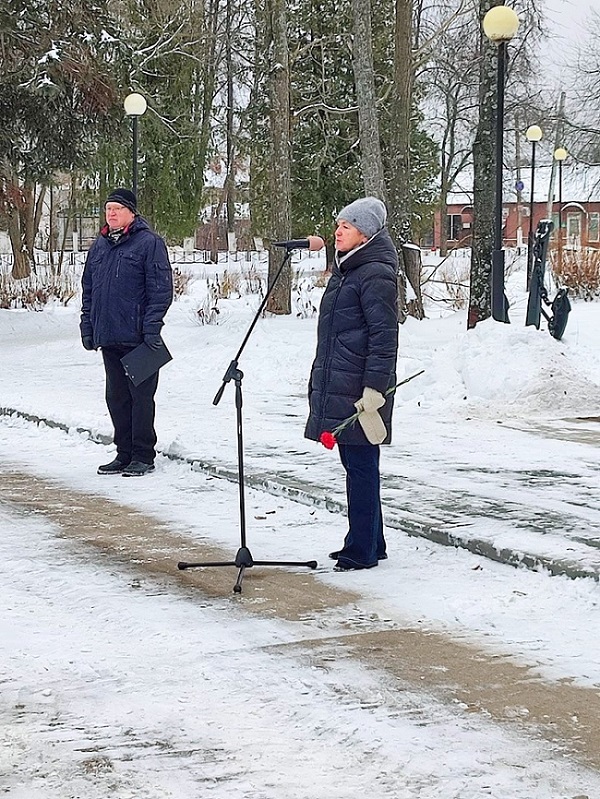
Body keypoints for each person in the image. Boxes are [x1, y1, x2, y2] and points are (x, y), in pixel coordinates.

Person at [305, 196, 399, 571]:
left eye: (346, 226)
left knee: (361, 465)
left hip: (361, 387)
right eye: (338, 224)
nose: (337, 231)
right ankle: (370, 541)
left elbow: (384, 335)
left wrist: (374, 388)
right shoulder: (349, 269)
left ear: (366, 233)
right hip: (343, 379)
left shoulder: (374, 273)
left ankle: (362, 549)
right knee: (357, 463)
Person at [80, 188, 173, 477]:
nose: (111, 213)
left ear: (131, 212)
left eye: (117, 209)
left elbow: (161, 290)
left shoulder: (149, 243)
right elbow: (89, 289)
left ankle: (143, 455)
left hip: (139, 338)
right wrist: (88, 325)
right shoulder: (100, 246)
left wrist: (151, 327)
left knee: (141, 399)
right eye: (108, 209)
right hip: (109, 336)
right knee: (116, 398)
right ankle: (124, 453)